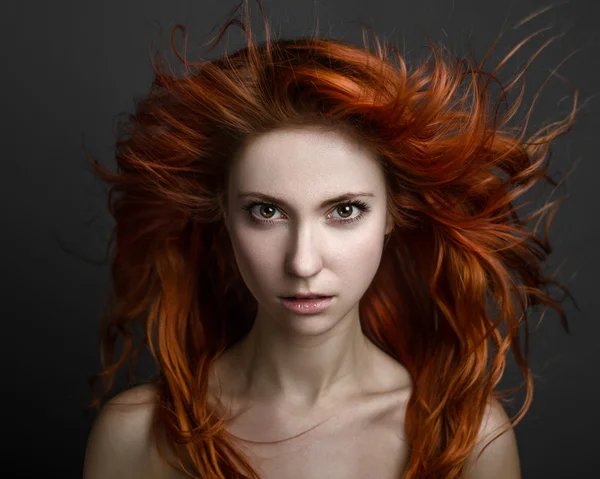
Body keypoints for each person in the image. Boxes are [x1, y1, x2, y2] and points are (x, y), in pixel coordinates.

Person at [82, 0, 580, 477]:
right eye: (266, 211)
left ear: (392, 214)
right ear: (223, 215)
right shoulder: (140, 435)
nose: (302, 263)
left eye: (344, 210)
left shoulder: (465, 438)